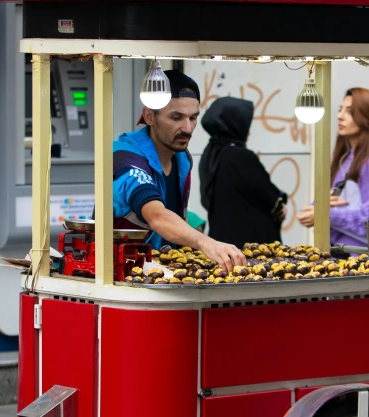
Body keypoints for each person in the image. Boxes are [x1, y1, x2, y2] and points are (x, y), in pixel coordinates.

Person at [110, 69, 245, 273]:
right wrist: (205, 242)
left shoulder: (182, 158)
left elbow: (175, 216)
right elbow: (156, 215)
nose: (188, 128)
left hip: (164, 272)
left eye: (193, 118)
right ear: (149, 116)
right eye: (176, 117)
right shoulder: (125, 156)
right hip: (120, 275)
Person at [297, 87, 369, 247]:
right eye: (341, 110)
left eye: (349, 111)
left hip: (360, 260)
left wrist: (325, 215)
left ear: (368, 117)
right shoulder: (346, 159)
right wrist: (320, 208)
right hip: (338, 254)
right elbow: (328, 207)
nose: (339, 116)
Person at [199, 96, 287, 248]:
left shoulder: (210, 154)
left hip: (221, 244)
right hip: (252, 248)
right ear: (236, 124)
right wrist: (281, 203)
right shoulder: (240, 156)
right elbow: (271, 199)